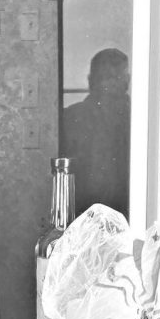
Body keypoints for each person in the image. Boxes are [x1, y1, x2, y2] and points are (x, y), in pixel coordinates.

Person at [58, 47, 130, 218]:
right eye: (105, 76)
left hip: (129, 217)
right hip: (80, 217)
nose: (110, 84)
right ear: (91, 80)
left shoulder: (139, 120)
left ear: (126, 81)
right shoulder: (70, 118)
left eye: (116, 77)